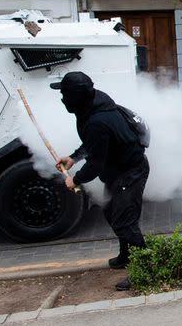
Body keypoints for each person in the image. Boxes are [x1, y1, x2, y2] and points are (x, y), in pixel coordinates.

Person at [52, 71, 150, 291]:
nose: (62, 98)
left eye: (64, 94)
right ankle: (126, 256)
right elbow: (95, 143)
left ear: (75, 97)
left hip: (130, 172)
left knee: (125, 221)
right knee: (112, 213)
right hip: (117, 171)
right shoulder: (93, 105)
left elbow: (95, 163)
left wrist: (75, 180)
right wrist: (74, 158)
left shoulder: (98, 119)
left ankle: (146, 268)